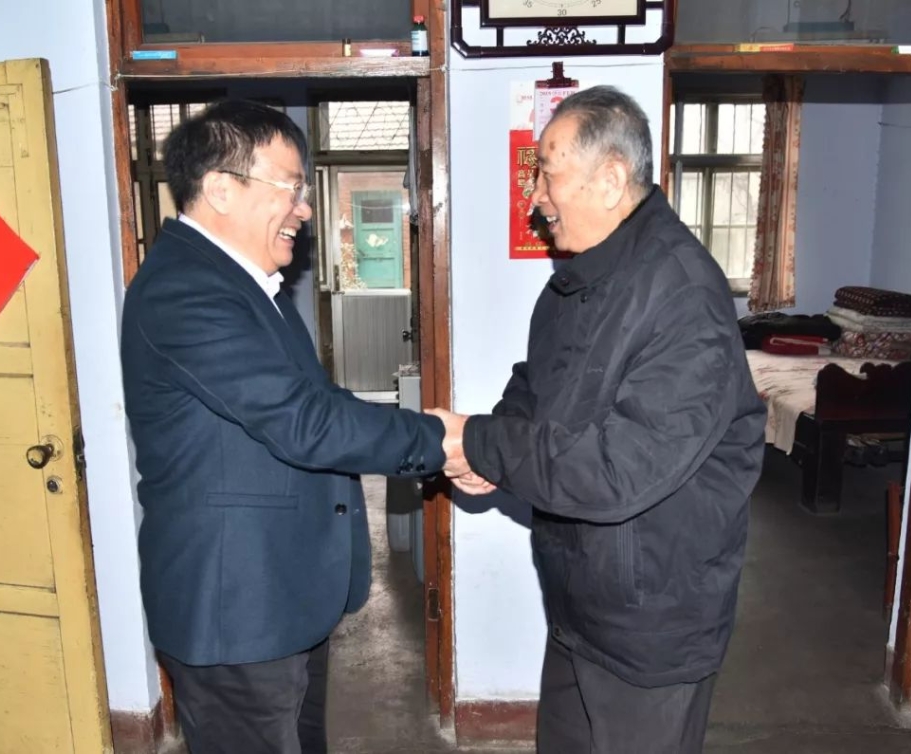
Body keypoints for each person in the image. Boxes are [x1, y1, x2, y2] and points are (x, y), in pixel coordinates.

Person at [430, 86, 766, 753]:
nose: (535, 199)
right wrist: (490, 454)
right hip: (582, 600)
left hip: (651, 623)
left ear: (610, 180)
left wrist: (481, 441)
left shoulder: (683, 296)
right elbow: (537, 384)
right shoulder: (579, 281)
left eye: (548, 176)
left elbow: (619, 471)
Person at [120, 99, 446, 754]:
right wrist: (444, 440)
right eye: (291, 188)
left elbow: (311, 401)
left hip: (281, 593)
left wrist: (423, 430)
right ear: (221, 188)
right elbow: (306, 422)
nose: (305, 209)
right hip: (235, 609)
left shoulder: (244, 283)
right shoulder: (187, 291)